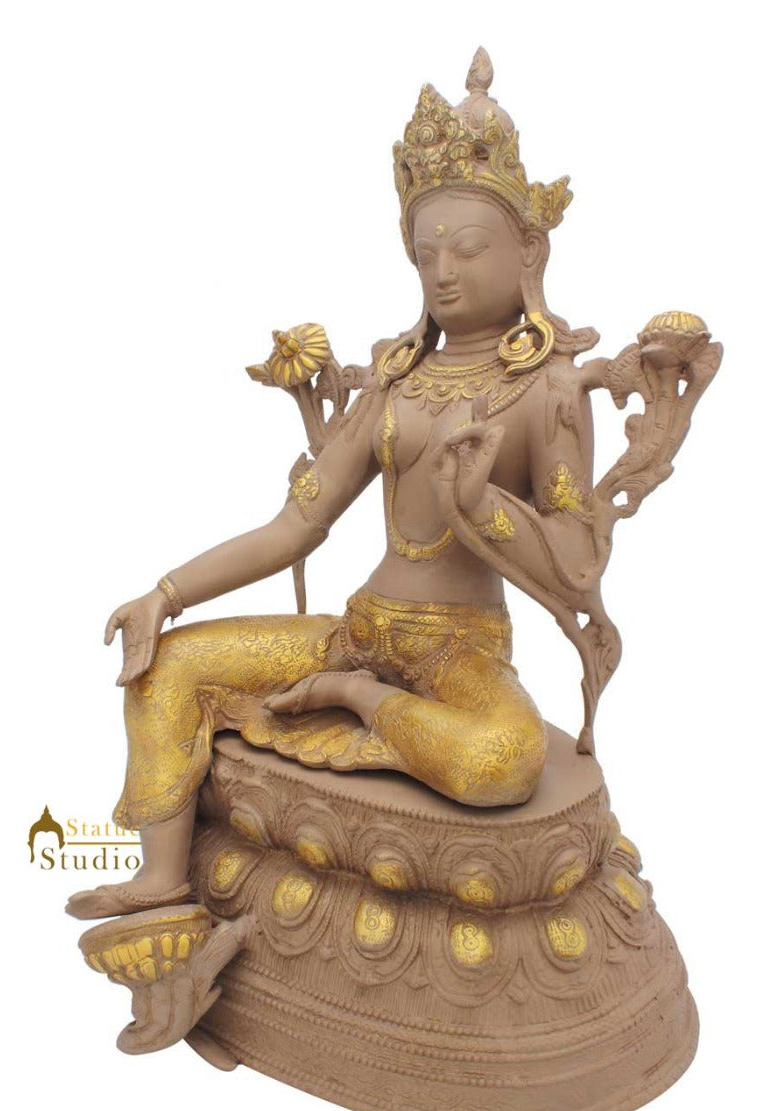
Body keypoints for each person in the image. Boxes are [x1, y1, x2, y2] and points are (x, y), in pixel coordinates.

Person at [67, 49, 606, 921]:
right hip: (358, 630)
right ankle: (162, 876)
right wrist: (164, 594)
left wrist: (484, 507)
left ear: (528, 250)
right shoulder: (397, 380)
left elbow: (579, 566)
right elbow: (294, 527)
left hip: (458, 655)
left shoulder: (550, 392)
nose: (443, 271)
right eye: (425, 253)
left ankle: (356, 705)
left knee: (502, 762)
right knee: (167, 669)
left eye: (469, 248)